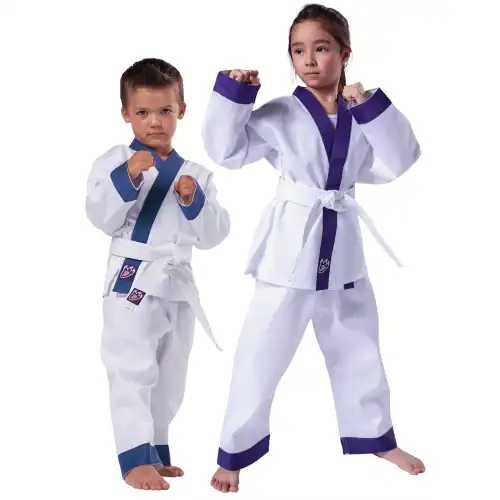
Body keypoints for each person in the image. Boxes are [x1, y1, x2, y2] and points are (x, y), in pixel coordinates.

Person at [202, 4, 425, 493]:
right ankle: (235, 452)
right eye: (297, 50)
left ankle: (376, 437)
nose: (308, 59)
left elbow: (400, 158)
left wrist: (368, 105)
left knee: (360, 348)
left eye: (320, 48)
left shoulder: (359, 112)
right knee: (259, 354)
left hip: (343, 250)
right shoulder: (282, 113)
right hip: (290, 252)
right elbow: (227, 151)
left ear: (345, 54)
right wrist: (236, 96)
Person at [86, 58, 230, 491]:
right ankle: (133, 458)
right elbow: (99, 216)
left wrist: (193, 201)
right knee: (131, 365)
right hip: (131, 278)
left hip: (177, 282)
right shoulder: (115, 161)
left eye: (165, 111)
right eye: (143, 112)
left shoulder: (196, 175)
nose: (155, 121)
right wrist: (126, 177)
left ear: (181, 110)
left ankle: (155, 450)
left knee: (171, 373)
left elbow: (214, 235)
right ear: (125, 113)